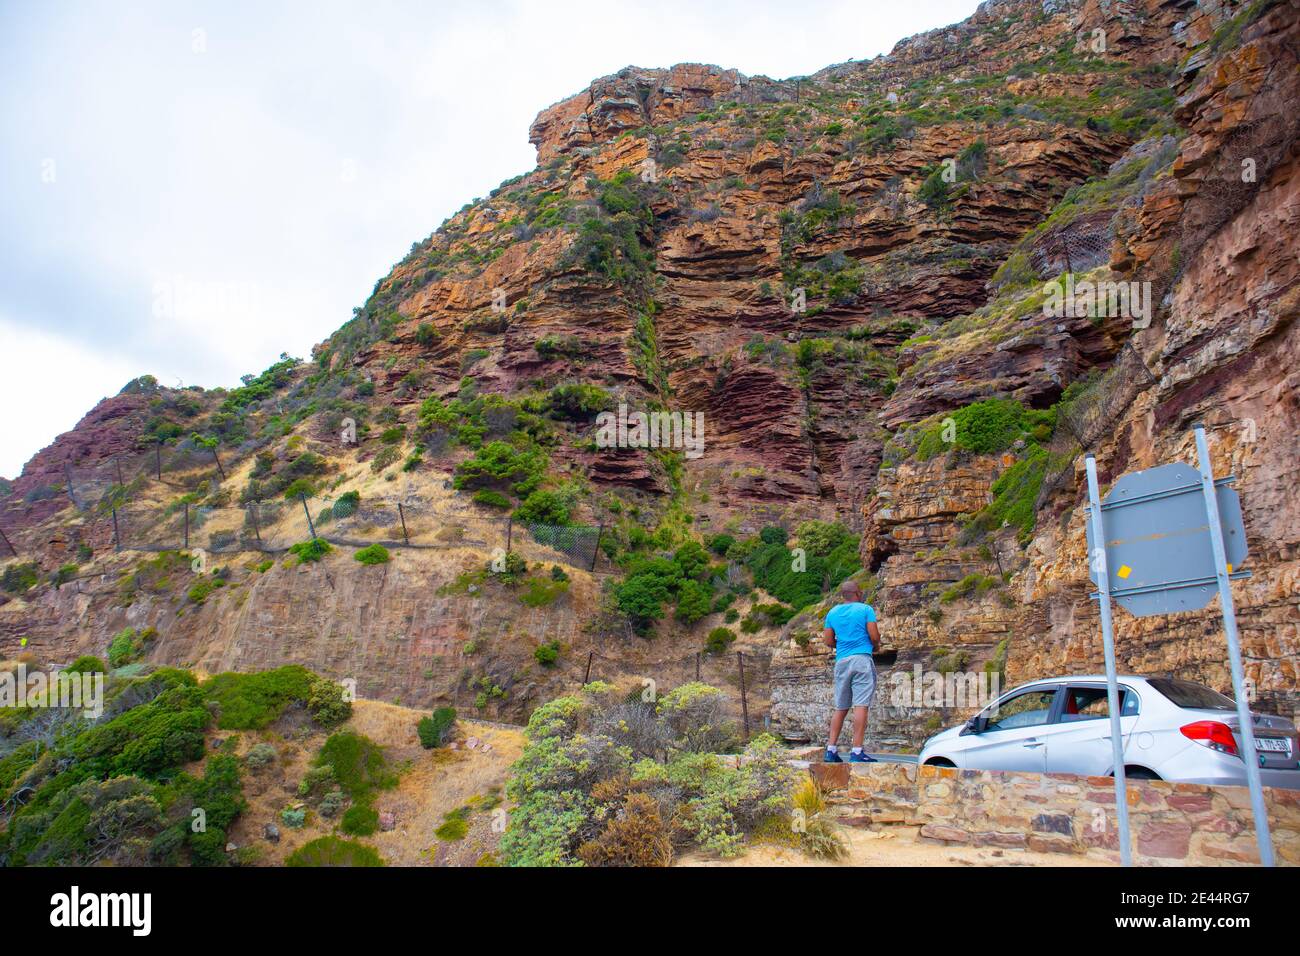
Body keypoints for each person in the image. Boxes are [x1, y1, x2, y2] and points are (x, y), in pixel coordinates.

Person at [822, 579, 880, 763]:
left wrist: (842, 645)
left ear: (842, 595)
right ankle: (856, 751)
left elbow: (828, 641)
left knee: (841, 706)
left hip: (842, 661)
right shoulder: (865, 610)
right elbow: (874, 635)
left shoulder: (832, 613)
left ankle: (831, 750)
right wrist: (875, 646)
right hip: (862, 659)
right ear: (858, 593)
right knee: (861, 705)